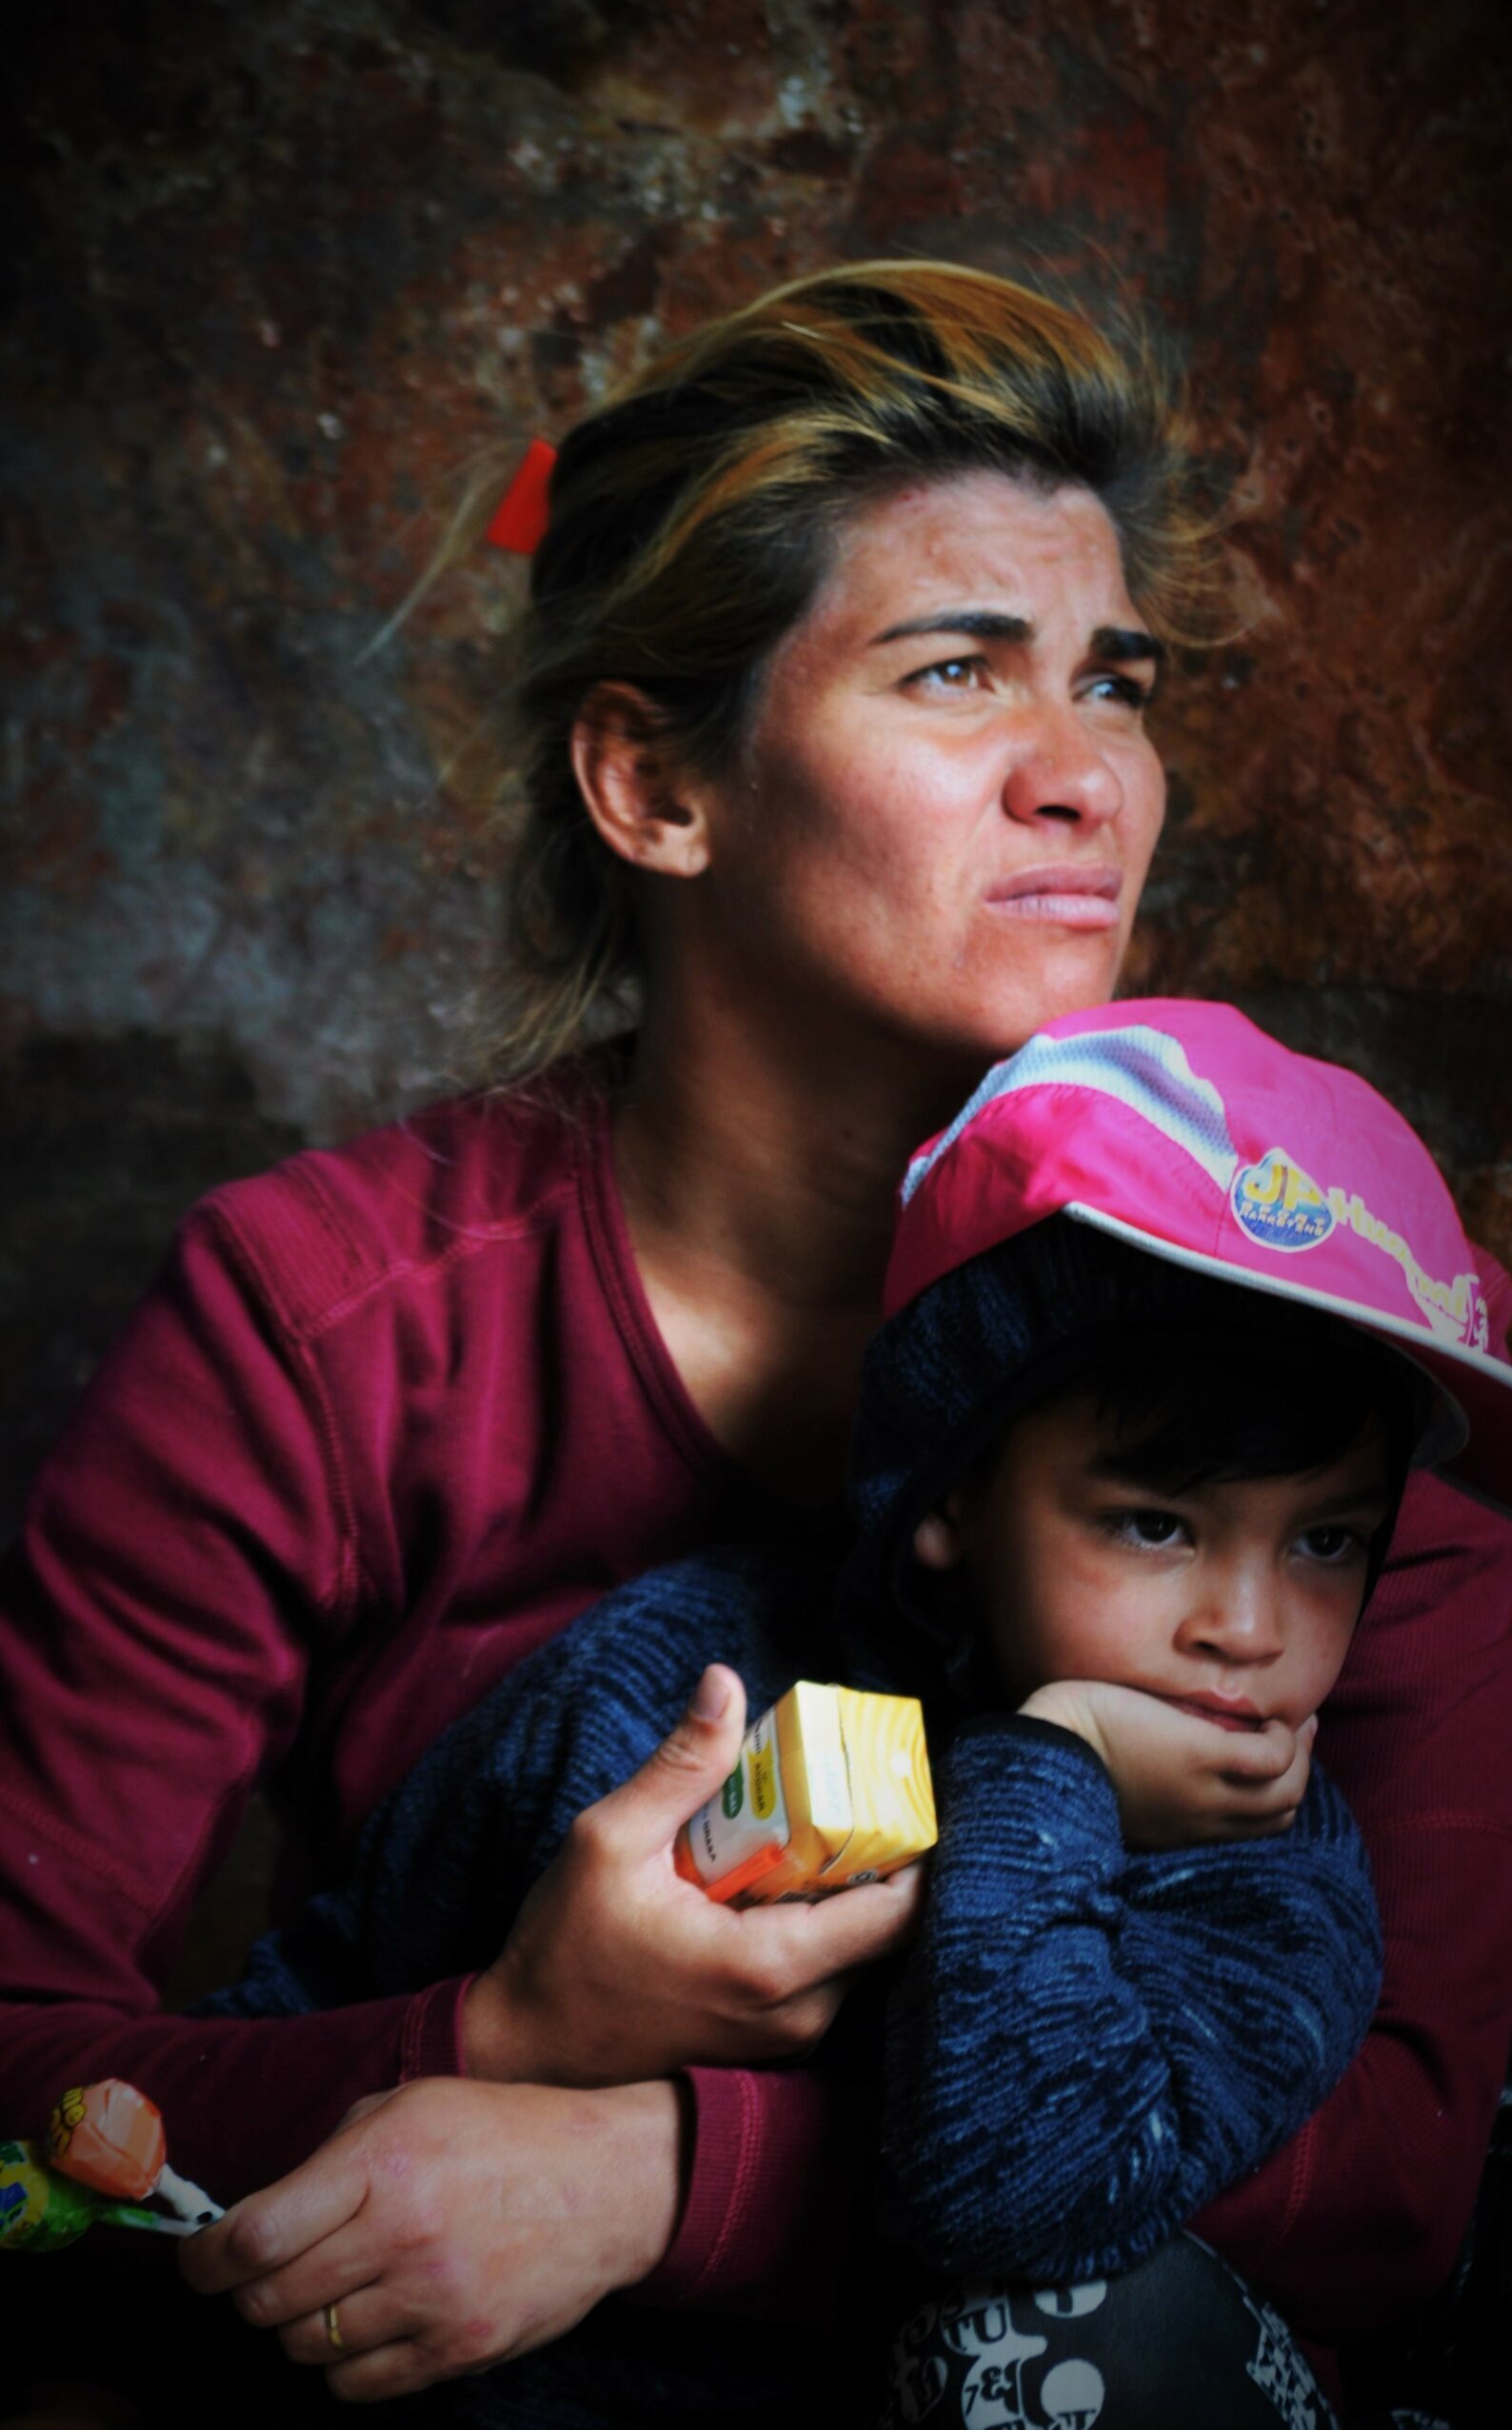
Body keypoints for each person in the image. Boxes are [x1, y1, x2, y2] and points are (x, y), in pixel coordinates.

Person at [2, 262, 1509, 2418]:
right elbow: (15, 2049)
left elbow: (1391, 2177)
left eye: (1116, 679)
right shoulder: (321, 1320)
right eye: (952, 670)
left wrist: (651, 2165)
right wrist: (503, 2029)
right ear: (653, 783)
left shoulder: (1319, 1309)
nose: (1084, 775)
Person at [187, 996, 1512, 2427]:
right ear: (951, 1492)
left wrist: (1046, 1765)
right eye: (1153, 1525)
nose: (1245, 1631)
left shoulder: (1266, 1886)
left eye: (1326, 1544)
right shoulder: (694, 1677)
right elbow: (346, 1975)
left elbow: (1021, 2190)